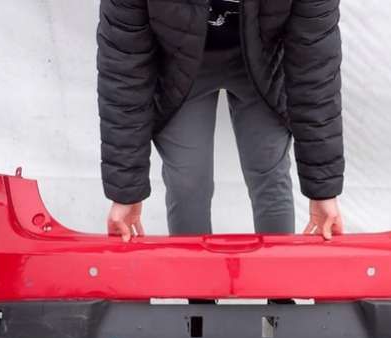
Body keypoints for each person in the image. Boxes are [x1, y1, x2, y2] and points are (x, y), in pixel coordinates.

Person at [98, 0, 344, 241]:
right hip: (179, 66)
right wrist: (125, 193)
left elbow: (315, 64)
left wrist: (323, 192)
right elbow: (124, 66)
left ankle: (275, 265)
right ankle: (193, 266)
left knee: (269, 172)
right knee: (187, 180)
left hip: (260, 61)